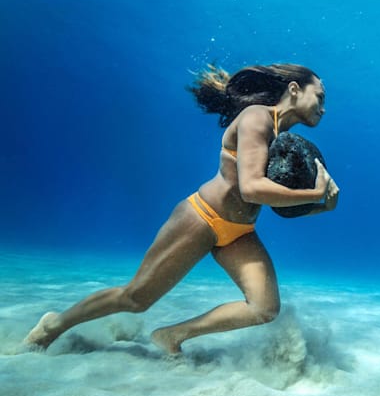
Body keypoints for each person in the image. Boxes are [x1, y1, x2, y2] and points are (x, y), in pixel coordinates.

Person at [25, 63, 339, 354]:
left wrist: (323, 206)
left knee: (264, 308)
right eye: (320, 97)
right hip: (202, 218)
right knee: (135, 299)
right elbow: (252, 187)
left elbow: (276, 203)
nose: (324, 109)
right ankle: (55, 323)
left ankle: (172, 335)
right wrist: (313, 193)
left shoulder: (281, 137)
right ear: (295, 89)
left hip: (240, 232)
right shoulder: (257, 118)